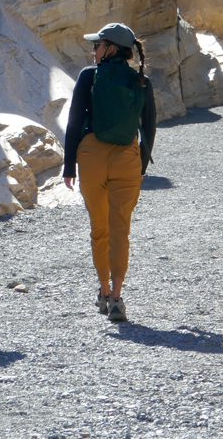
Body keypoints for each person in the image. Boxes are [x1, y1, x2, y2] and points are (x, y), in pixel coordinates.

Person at [63, 22, 156, 323]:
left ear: (110, 49)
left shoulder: (89, 77)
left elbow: (75, 122)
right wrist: (140, 165)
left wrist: (68, 166)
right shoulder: (141, 80)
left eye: (97, 45)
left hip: (91, 155)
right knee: (121, 230)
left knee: (99, 228)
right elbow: (149, 128)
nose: (93, 51)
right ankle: (117, 297)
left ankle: (103, 290)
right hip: (127, 157)